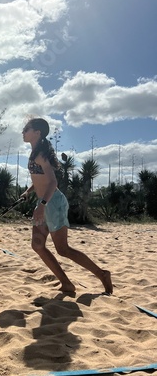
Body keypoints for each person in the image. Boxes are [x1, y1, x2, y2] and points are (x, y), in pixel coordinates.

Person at [20, 117, 113, 295]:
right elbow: (40, 179)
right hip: (44, 201)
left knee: (63, 249)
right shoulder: (35, 153)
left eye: (26, 129)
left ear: (37, 133)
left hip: (52, 202)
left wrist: (42, 205)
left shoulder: (41, 154)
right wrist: (29, 192)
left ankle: (102, 274)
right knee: (38, 246)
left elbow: (53, 182)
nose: (23, 132)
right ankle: (67, 284)